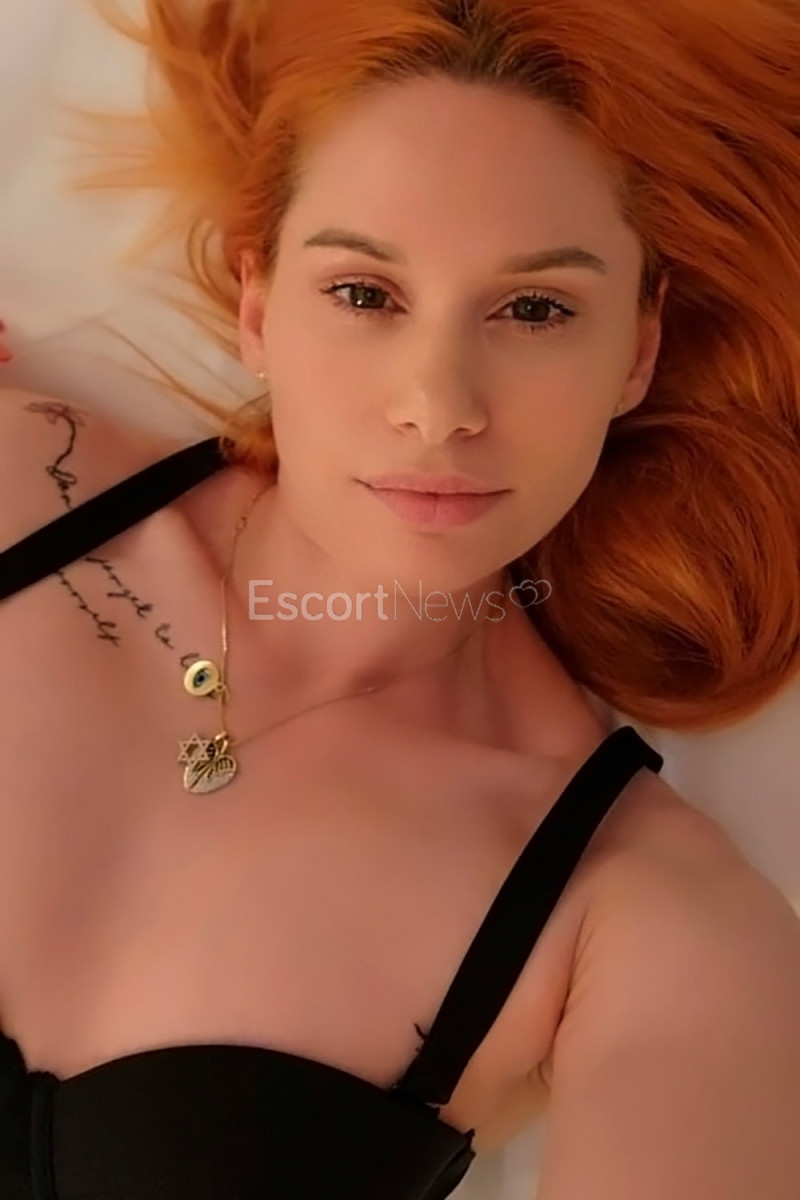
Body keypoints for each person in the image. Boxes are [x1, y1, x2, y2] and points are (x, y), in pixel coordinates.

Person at [1, 1, 800, 1197]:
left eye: (533, 309)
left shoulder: (642, 919)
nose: (438, 406)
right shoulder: (22, 486)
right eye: (364, 294)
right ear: (257, 307)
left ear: (636, 349)